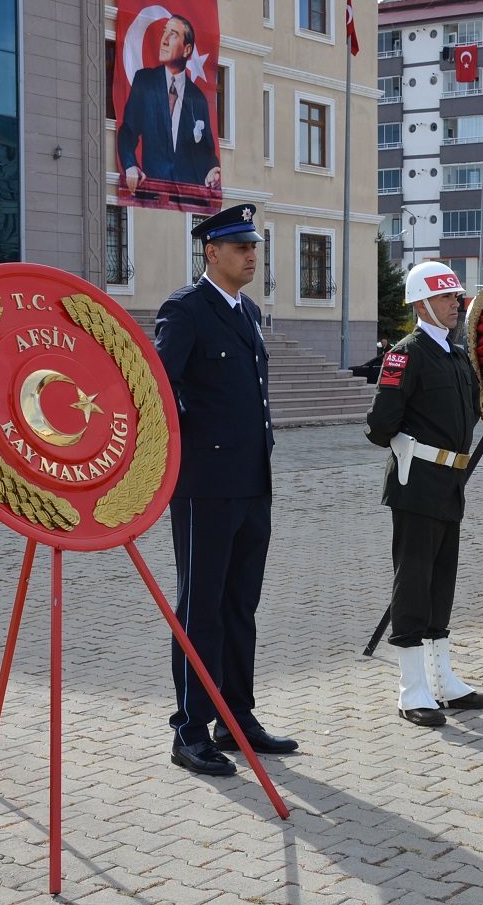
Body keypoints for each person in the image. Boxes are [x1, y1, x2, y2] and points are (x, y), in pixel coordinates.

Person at [154, 203, 294, 776]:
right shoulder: (185, 309)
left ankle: (236, 717)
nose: (251, 255)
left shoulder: (248, 309)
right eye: (241, 247)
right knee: (201, 607)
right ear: (211, 252)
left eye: (254, 246)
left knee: (241, 605)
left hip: (251, 483)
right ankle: (189, 728)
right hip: (204, 487)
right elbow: (157, 387)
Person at [365, 261, 483, 727]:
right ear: (421, 304)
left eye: (456, 297)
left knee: (441, 583)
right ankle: (412, 689)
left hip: (449, 483)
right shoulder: (406, 354)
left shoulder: (455, 355)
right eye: (445, 298)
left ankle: (442, 680)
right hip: (416, 485)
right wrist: (406, 444)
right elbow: (379, 426)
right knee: (413, 584)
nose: (455, 304)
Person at [116, 13, 222, 194]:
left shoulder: (197, 98)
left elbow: (207, 149)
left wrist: (213, 168)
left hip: (187, 195)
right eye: (164, 32)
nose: (163, 40)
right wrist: (130, 164)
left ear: (187, 50)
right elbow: (127, 131)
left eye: (172, 35)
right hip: (151, 192)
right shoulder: (145, 81)